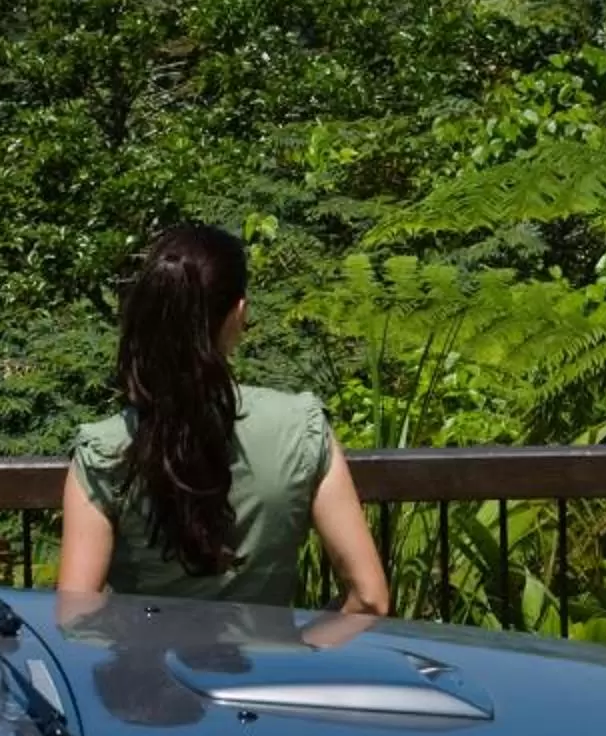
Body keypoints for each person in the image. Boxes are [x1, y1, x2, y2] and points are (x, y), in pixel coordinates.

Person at [57, 223, 390, 614]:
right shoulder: (301, 427)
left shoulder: (104, 451)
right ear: (239, 314)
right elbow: (369, 599)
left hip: (146, 674)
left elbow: (75, 620)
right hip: (271, 674)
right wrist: (301, 648)